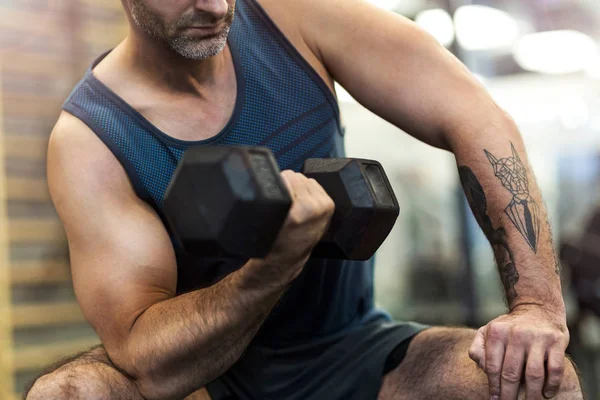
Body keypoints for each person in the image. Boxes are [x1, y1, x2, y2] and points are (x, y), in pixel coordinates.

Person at [26, 0, 584, 399]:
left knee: (540, 380)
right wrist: (275, 264)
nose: (216, 7)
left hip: (356, 350)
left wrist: (537, 306)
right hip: (206, 380)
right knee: (70, 393)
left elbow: (474, 115)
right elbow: (147, 363)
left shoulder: (293, 16)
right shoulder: (92, 141)